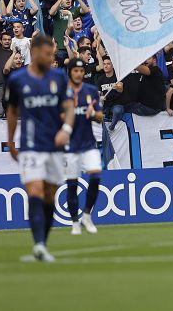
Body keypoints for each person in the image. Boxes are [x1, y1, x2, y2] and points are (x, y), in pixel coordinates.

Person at [5, 34, 75, 262]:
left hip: (54, 147)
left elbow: (69, 107)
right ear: (33, 52)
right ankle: (38, 246)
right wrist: (12, 141)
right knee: (34, 190)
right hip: (31, 146)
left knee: (49, 196)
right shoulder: (17, 79)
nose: (50, 58)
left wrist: (66, 129)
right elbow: (12, 112)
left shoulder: (58, 77)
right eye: (47, 54)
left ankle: (42, 243)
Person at [62, 57, 104, 235]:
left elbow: (101, 118)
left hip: (88, 143)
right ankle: (74, 223)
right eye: (75, 71)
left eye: (81, 71)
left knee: (95, 176)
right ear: (70, 72)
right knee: (72, 185)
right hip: (70, 146)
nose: (79, 74)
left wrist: (93, 113)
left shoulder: (91, 90)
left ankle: (87, 215)